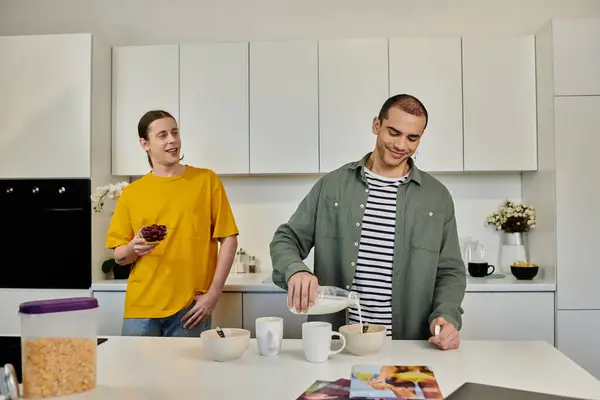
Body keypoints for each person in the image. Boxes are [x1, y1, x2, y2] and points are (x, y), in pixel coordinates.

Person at [270, 94, 466, 350]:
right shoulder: (332, 186)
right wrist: (296, 269)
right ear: (376, 125)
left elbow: (450, 271)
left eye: (412, 137)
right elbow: (287, 239)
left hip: (409, 346)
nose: (401, 145)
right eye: (393, 132)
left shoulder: (436, 197)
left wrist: (446, 316)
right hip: (338, 343)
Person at [105, 110, 239, 337]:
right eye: (162, 135)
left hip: (190, 309)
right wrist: (132, 248)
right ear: (144, 144)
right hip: (141, 309)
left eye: (175, 132)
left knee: (189, 374)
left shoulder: (206, 181)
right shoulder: (133, 193)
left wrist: (214, 294)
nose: (172, 140)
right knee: (135, 373)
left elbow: (229, 239)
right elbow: (120, 257)